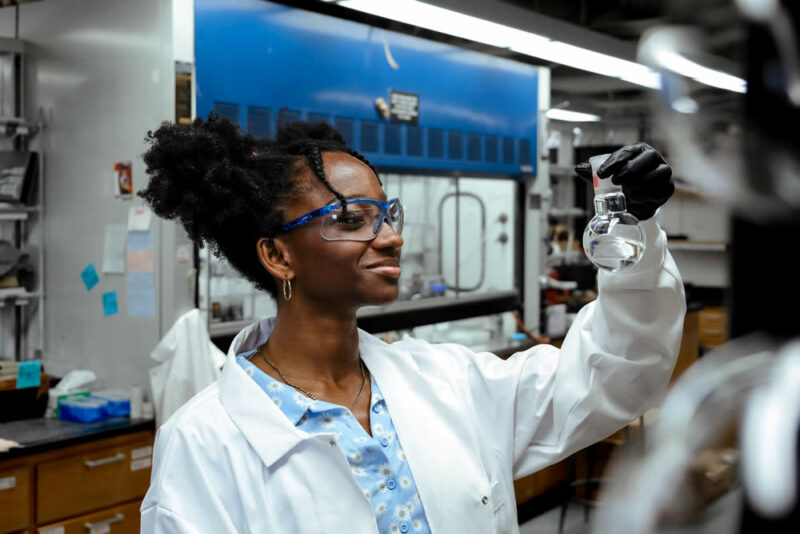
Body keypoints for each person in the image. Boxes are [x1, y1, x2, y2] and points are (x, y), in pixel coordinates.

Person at [139, 115, 685, 534]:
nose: (391, 236)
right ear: (278, 256)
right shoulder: (203, 442)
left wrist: (635, 231)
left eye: (386, 214)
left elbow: (612, 373)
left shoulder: (447, 383)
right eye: (352, 220)